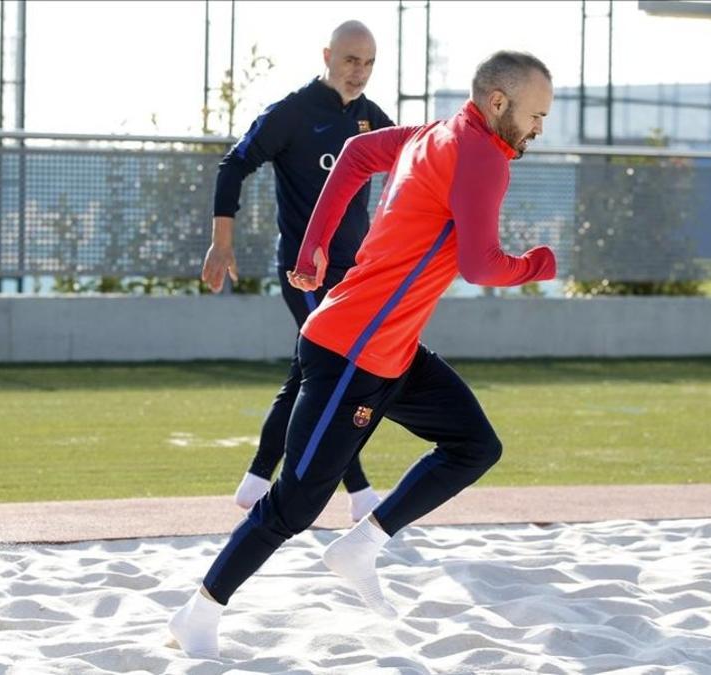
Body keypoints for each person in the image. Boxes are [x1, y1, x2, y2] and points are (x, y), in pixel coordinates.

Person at [171, 50, 555, 658]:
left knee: (475, 446)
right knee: (294, 504)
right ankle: (199, 611)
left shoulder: (437, 133)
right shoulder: (480, 154)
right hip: (349, 352)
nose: (540, 128)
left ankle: (362, 544)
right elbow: (482, 265)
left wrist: (313, 247)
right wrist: (539, 263)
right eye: (536, 114)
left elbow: (353, 155)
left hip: (392, 351)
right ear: (499, 103)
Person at [202, 20, 394, 523]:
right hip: (304, 274)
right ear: (328, 55)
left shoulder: (372, 119)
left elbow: (412, 168)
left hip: (354, 275)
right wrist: (222, 243)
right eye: (352, 60)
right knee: (332, 373)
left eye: (370, 62)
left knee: (310, 372)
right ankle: (360, 491)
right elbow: (233, 165)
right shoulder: (291, 113)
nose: (360, 72)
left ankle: (256, 479)